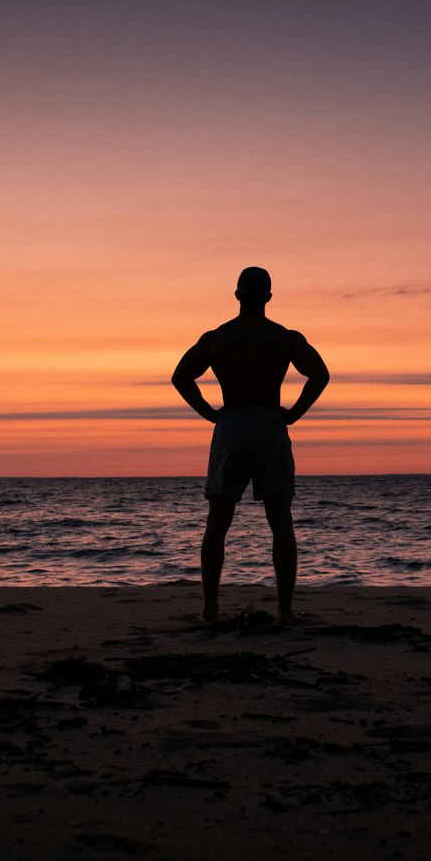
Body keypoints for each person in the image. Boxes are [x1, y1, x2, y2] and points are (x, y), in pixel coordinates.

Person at [171, 266, 330, 625]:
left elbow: (181, 376)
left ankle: (210, 608)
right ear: (268, 297)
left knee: (218, 520)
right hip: (268, 422)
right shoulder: (283, 337)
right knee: (280, 520)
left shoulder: (218, 337)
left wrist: (212, 415)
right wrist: (294, 414)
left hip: (233, 423)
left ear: (238, 295)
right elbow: (320, 373)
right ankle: (285, 610)